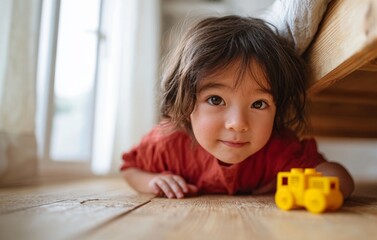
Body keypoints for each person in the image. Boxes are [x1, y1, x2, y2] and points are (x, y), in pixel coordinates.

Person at [120, 15, 354, 199]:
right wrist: (151, 182)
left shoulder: (278, 148)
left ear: (278, 108)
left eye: (258, 104)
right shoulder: (166, 143)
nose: (238, 123)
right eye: (215, 100)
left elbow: (337, 175)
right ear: (186, 101)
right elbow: (130, 168)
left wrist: (315, 190)